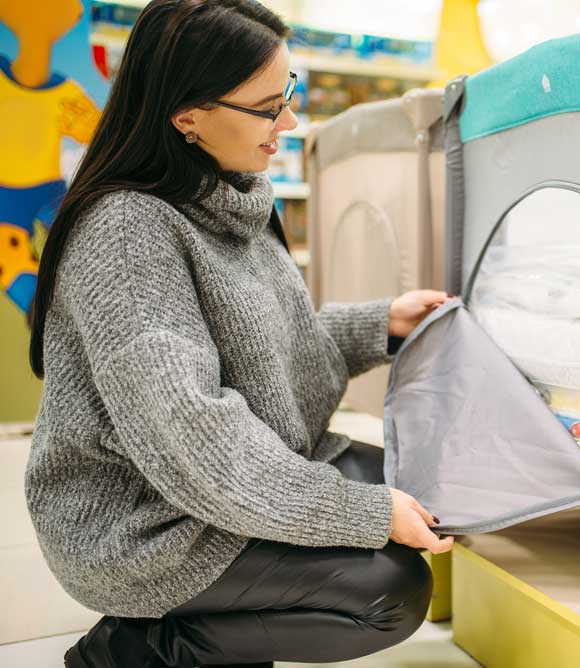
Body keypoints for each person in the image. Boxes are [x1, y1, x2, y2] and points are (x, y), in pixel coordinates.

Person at [23, 1, 453, 666]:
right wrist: (362, 514)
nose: (288, 120)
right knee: (389, 592)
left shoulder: (234, 193)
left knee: (435, 483)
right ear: (186, 116)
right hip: (145, 525)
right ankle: (129, 652)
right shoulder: (128, 232)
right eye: (265, 106)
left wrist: (380, 323)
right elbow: (201, 441)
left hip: (224, 474)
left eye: (289, 94)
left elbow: (274, 352)